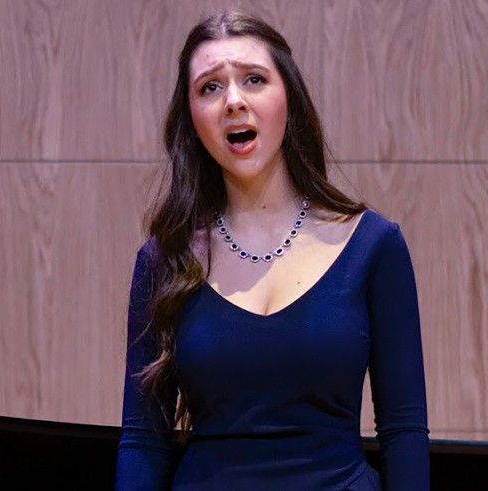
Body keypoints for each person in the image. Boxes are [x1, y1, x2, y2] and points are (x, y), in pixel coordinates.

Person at [116, 9, 429, 490]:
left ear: (289, 99)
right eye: (210, 88)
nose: (234, 101)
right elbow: (144, 441)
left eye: (254, 79)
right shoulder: (162, 261)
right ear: (192, 120)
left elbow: (403, 433)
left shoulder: (375, 246)